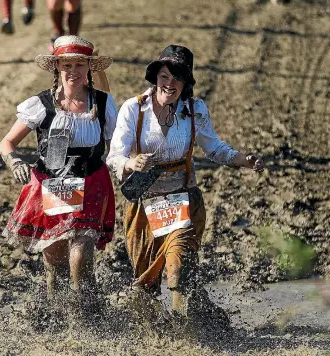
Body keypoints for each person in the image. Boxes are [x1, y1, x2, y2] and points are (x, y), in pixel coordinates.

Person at [107, 45, 264, 323]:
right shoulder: (134, 108)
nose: (170, 84)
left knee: (178, 270)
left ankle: (184, 332)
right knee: (147, 284)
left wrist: (244, 159)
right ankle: (155, 329)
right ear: (156, 78)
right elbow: (115, 155)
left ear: (185, 83)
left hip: (183, 203)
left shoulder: (195, 110)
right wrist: (131, 163)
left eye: (177, 78)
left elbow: (214, 148)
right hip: (145, 207)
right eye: (165, 77)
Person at [0, 36, 117, 310]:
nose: (73, 71)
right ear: (57, 68)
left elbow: (117, 142)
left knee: (81, 252)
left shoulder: (102, 104)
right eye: (67, 65)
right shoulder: (40, 105)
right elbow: (7, 143)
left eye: (79, 64)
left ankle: (87, 317)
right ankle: (58, 314)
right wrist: (15, 163)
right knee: (56, 263)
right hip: (52, 185)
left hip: (91, 183)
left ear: (89, 68)